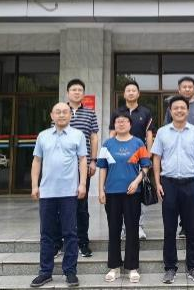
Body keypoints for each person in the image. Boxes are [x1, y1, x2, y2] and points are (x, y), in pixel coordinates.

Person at [30, 103, 87, 288]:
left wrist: (82, 184)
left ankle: (70, 271)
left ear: (70, 115)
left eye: (65, 112)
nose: (61, 115)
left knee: (70, 233)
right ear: (51, 115)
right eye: (58, 112)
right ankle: (45, 272)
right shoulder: (43, 136)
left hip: (69, 192)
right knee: (46, 233)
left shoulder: (78, 135)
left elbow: (83, 160)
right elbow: (37, 161)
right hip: (47, 192)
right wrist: (34, 185)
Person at [152, 95, 194, 285]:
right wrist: (158, 183)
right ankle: (170, 267)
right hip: (169, 184)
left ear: (188, 110)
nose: (179, 111)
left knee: (192, 228)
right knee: (169, 229)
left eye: (182, 108)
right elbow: (156, 158)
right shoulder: (162, 132)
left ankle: (193, 267)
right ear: (170, 111)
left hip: (191, 183)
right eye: (175, 108)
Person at [98, 112, 151, 284]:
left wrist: (136, 182)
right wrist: (101, 190)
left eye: (124, 121)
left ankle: (132, 268)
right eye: (118, 121)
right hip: (112, 192)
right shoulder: (107, 144)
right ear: (114, 125)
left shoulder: (138, 143)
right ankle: (114, 267)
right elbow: (103, 168)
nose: (121, 124)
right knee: (114, 230)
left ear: (130, 124)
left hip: (132, 193)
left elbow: (145, 166)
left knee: (132, 230)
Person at [108, 80, 156, 240]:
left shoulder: (145, 112)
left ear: (138, 93)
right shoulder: (117, 112)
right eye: (128, 90)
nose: (130, 92)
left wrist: (148, 154)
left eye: (133, 90)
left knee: (139, 191)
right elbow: (112, 133)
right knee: (121, 191)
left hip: (139, 156)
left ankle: (138, 226)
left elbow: (149, 134)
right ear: (124, 94)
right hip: (120, 157)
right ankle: (123, 227)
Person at [164, 76, 194, 237]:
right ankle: (184, 226)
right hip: (179, 155)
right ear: (179, 89)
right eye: (184, 87)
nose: (187, 89)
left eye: (190, 86)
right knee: (182, 194)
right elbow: (166, 129)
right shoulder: (172, 108)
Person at [66, 78, 99, 258]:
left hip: (83, 166)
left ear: (83, 94)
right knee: (62, 205)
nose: (77, 92)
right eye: (74, 89)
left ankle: (83, 242)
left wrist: (93, 161)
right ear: (68, 93)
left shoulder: (90, 113)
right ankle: (62, 242)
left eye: (80, 90)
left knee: (81, 205)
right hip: (63, 167)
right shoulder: (61, 111)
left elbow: (93, 137)